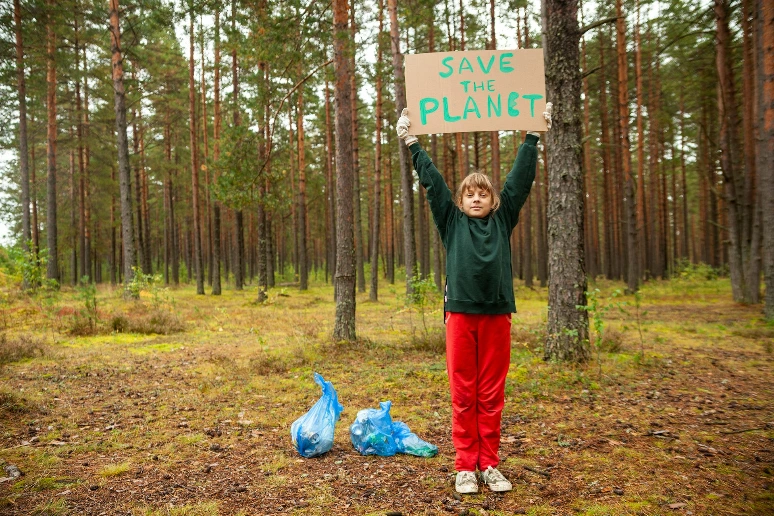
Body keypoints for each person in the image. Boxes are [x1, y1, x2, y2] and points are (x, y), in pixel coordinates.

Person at [395, 106, 552, 494]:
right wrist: (413, 143)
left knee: (490, 393)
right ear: (462, 201)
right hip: (460, 315)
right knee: (464, 392)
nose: (477, 198)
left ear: (494, 200)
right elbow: (434, 185)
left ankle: (490, 465)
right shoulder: (451, 221)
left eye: (483, 193)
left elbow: (520, 181)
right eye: (470, 193)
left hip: (497, 315)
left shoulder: (503, 219)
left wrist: (532, 136)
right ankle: (465, 465)